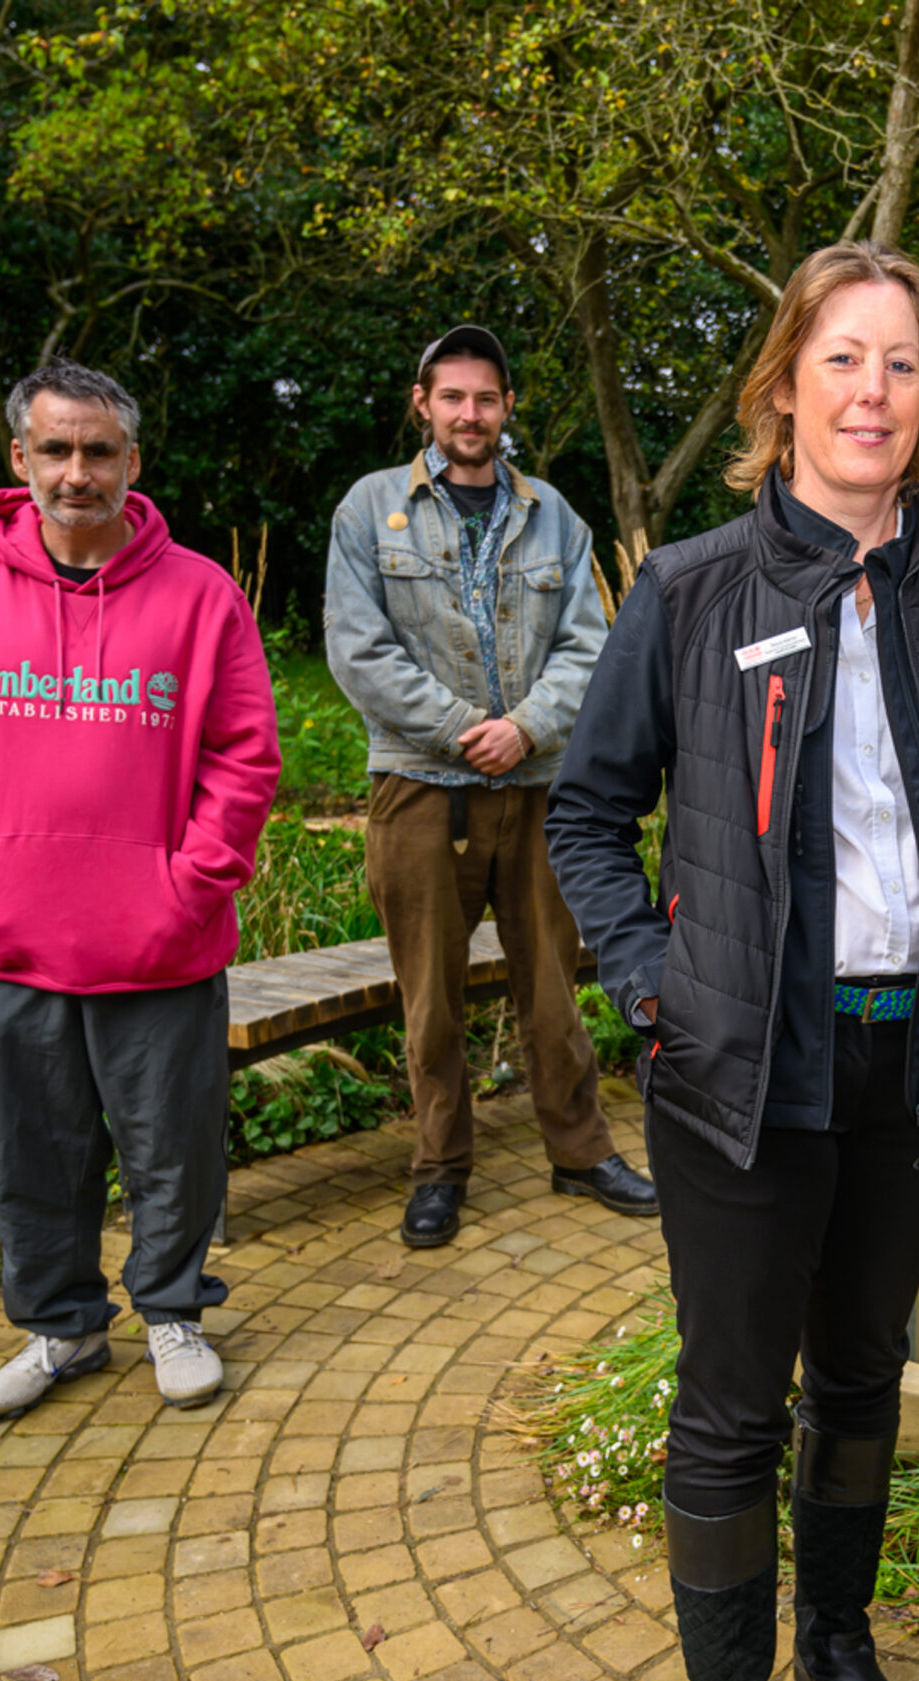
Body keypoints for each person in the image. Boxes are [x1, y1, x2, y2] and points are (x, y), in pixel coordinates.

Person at [547, 243, 919, 1681]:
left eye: (901, 363)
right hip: (744, 1065)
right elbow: (587, 810)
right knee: (729, 1404)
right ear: (783, 388)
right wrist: (655, 982)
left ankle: (835, 1644)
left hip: (911, 1068)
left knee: (865, 1374)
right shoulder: (694, 592)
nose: (873, 390)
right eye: (843, 358)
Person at [0, 357, 281, 1424]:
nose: (78, 472)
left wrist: (189, 888)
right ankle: (61, 1330)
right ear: (19, 458)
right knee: (33, 1148)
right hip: (7, 933)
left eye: (98, 451)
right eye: (56, 450)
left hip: (159, 939)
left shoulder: (201, 594)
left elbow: (245, 756)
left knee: (173, 1144)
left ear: (133, 463)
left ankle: (171, 1310)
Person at [325, 324, 655, 1246]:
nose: (470, 413)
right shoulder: (369, 510)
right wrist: (460, 731)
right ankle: (439, 1166)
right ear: (422, 404)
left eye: (487, 397)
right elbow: (357, 648)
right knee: (429, 995)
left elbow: (592, 644)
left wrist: (528, 727)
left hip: (540, 784)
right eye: (452, 396)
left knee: (552, 983)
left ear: (508, 408)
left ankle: (581, 1149)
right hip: (420, 786)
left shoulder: (554, 515)